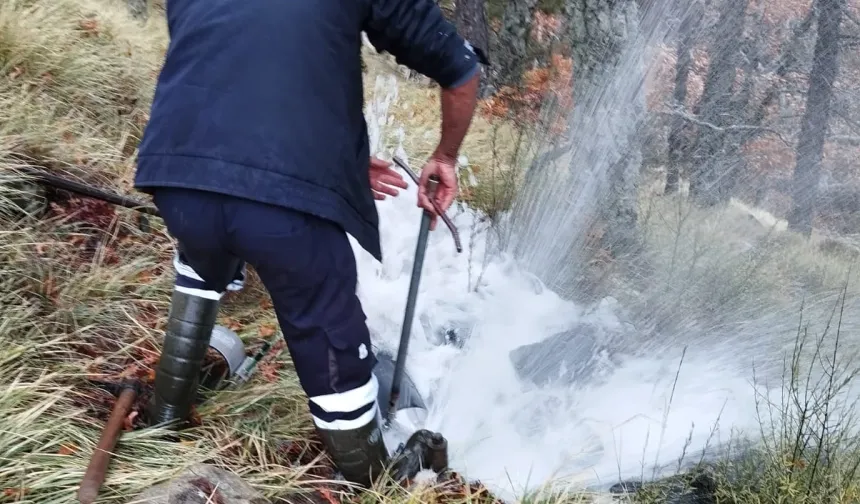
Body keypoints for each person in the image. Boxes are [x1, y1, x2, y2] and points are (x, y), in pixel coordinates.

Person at [133, 0, 481, 488]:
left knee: (200, 257)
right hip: (280, 213)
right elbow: (460, 71)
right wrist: (445, 156)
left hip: (176, 173)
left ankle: (165, 416)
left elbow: (236, 61)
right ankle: (370, 478)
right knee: (324, 323)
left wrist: (321, 156)